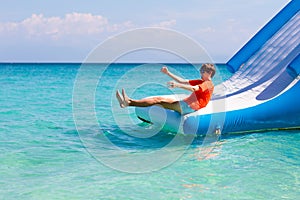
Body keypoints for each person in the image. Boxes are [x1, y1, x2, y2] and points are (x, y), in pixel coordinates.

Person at [116, 63, 216, 115]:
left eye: (203, 71)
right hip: (185, 103)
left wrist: (178, 86)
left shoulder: (208, 84)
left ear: (210, 73)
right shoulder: (200, 81)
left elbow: (194, 89)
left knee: (158, 101)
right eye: (201, 70)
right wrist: (168, 73)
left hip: (189, 107)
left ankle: (129, 103)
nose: (201, 72)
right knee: (158, 98)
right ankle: (128, 102)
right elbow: (182, 80)